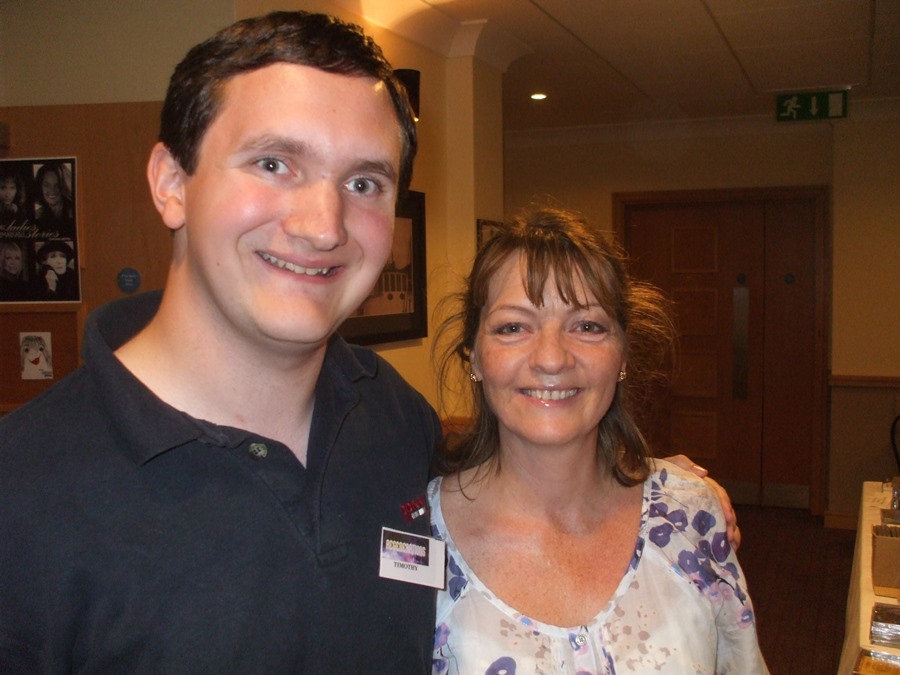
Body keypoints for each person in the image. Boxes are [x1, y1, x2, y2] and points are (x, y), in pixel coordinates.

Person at [0, 11, 734, 673]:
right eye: (273, 163)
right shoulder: (22, 494)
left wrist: (654, 487)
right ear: (171, 182)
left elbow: (512, 484)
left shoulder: (392, 418)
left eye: (364, 183)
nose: (324, 225)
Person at [429, 206, 768, 674]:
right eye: (513, 327)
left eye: (587, 326)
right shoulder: (421, 540)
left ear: (622, 354)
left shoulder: (690, 516)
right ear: (476, 357)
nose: (552, 358)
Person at [33, 161, 76, 238]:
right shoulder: (37, 215)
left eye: (57, 185)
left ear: (64, 187)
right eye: (46, 185)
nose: (52, 190)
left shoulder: (74, 212)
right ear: (40, 186)